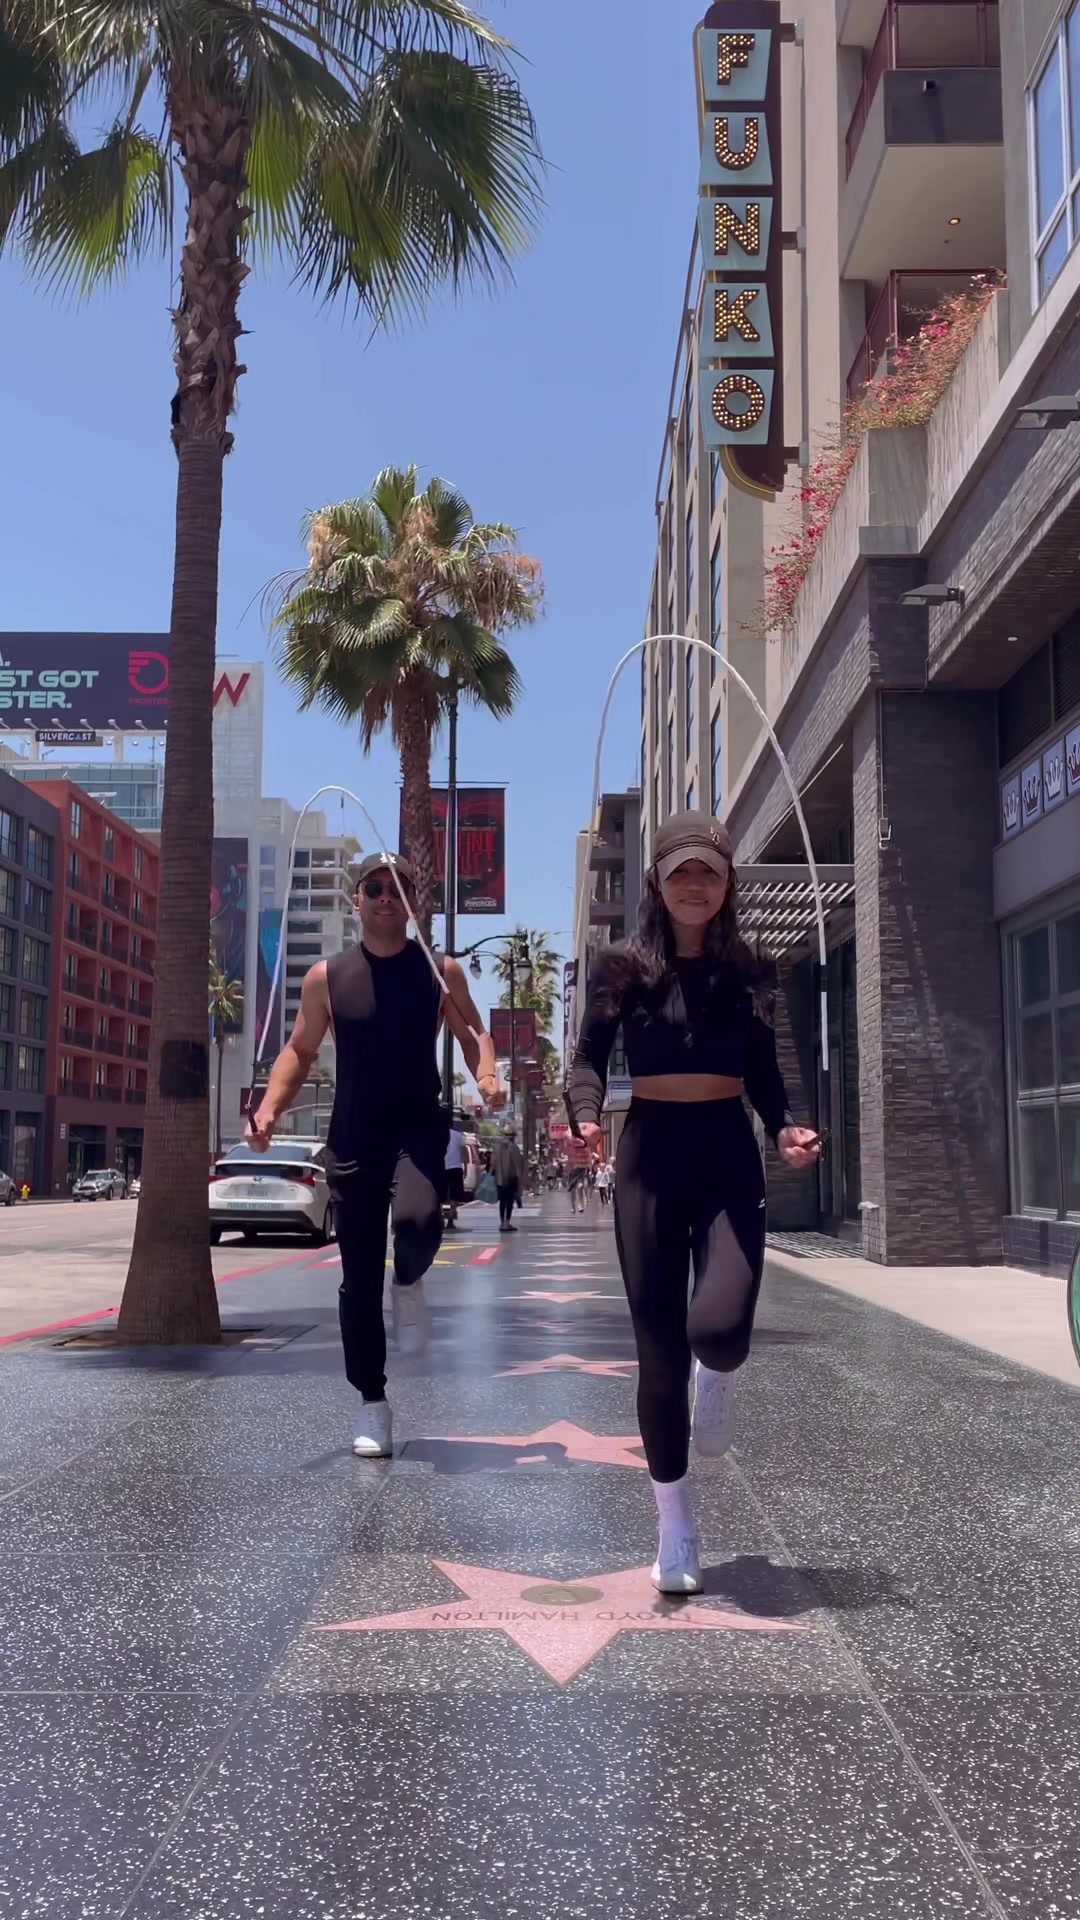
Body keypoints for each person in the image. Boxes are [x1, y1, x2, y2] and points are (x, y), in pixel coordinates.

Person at [568, 812, 820, 1596]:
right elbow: (586, 1060)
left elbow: (766, 1072)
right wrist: (584, 1117)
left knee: (719, 1329)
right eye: (681, 871)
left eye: (709, 870)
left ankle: (720, 1371)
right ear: (657, 882)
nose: (695, 884)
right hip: (648, 1157)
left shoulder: (751, 970)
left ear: (727, 882)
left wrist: (786, 1126)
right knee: (658, 1353)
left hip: (725, 1151)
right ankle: (675, 1525)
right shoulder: (621, 968)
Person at [249, 852, 504, 1459]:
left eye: (398, 888)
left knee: (418, 1224)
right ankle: (372, 1402)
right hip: (355, 1135)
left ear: (412, 904)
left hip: (417, 1126)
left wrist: (488, 1076)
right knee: (359, 1278)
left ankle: (409, 1280)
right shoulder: (326, 977)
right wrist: (269, 1109)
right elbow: (299, 1051)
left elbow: (474, 1036)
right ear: (356, 901)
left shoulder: (439, 971)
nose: (386, 896)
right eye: (375, 887)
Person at [492, 1125, 524, 1231]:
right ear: (513, 1136)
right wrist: (520, 1181)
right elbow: (517, 1165)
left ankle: (502, 1223)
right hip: (511, 1178)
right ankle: (507, 1223)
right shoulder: (514, 1148)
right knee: (509, 1201)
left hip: (499, 1178)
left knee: (502, 1201)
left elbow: (493, 1163)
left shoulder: (497, 1147)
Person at [444, 1124, 466, 1229]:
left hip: (441, 1167)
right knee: (455, 1195)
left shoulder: (437, 1134)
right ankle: (451, 1218)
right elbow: (463, 1152)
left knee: (439, 1194)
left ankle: (439, 1219)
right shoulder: (458, 1135)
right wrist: (465, 1166)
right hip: (456, 1168)